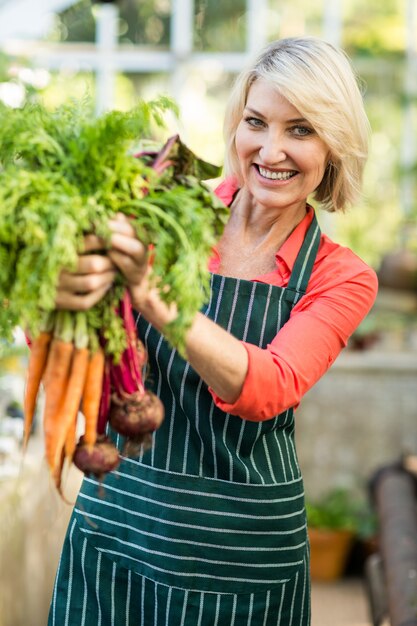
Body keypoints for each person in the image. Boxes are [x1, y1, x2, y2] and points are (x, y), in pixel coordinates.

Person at [49, 36, 378, 625]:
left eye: (301, 130)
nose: (271, 149)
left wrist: (151, 295)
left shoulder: (341, 276)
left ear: (335, 145)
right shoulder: (167, 213)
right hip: (119, 524)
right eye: (257, 122)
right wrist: (62, 298)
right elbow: (85, 334)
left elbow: (268, 387)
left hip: (239, 556)